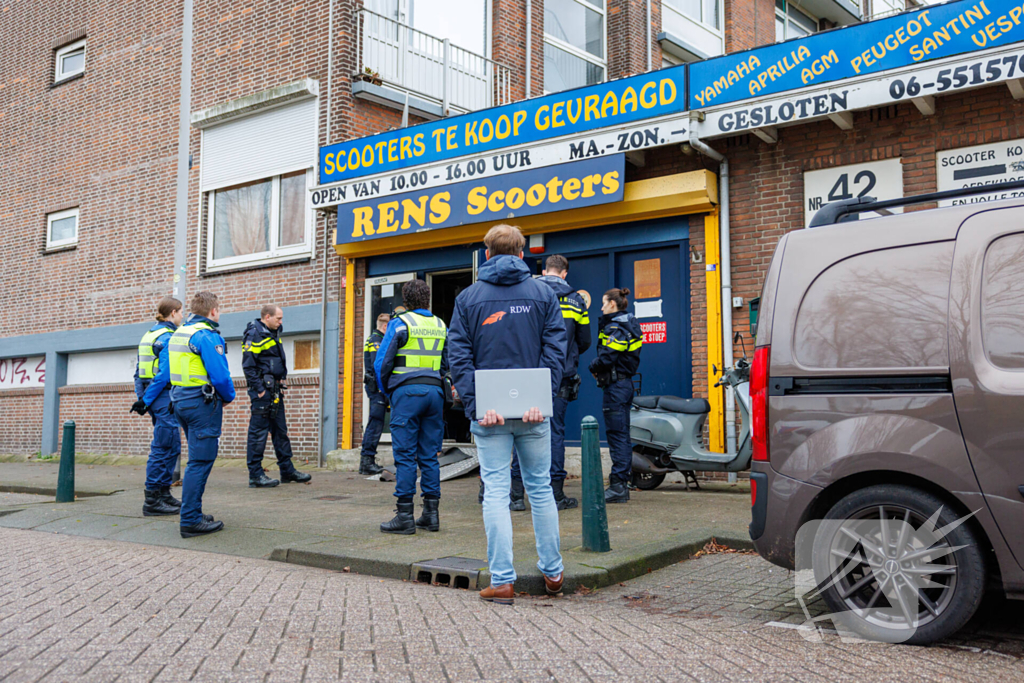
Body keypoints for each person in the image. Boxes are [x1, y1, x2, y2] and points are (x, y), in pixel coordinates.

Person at [448, 224, 567, 605]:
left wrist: (477, 404)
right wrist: (543, 397)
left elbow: (459, 357)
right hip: (533, 413)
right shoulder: (543, 294)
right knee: (541, 489)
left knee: (496, 493)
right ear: (521, 254)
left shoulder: (468, 298)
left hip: (490, 414)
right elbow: (556, 349)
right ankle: (553, 573)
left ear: (486, 254)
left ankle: (502, 581)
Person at [502, 254, 592, 512]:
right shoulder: (575, 300)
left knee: (521, 430)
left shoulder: (529, 293)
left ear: (544, 270)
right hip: (561, 374)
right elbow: (584, 340)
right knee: (555, 432)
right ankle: (556, 494)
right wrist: (568, 353)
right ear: (565, 273)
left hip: (527, 373)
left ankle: (517, 496)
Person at [374, 280, 448, 534]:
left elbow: (382, 362)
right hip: (434, 393)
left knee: (405, 456)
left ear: (407, 299)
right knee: (429, 455)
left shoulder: (400, 322)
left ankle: (405, 516)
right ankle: (431, 515)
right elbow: (446, 362)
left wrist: (387, 391)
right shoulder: (440, 324)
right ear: (427, 299)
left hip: (407, 393)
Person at [169, 291, 235, 538]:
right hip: (201, 404)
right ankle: (191, 520)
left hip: (181, 402)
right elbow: (220, 376)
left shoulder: (180, 333)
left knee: (196, 459)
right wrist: (229, 397)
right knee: (201, 461)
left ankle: (193, 511)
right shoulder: (206, 337)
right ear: (213, 311)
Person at [242, 305, 312, 488]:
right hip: (263, 392)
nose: (281, 322)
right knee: (258, 434)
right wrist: (259, 389)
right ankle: (255, 475)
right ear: (267, 317)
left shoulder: (271, 331)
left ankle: (287, 470)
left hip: (274, 390)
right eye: (278, 319)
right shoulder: (254, 334)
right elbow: (248, 366)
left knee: (280, 431)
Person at [130, 297, 185, 517]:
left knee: (170, 446)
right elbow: (163, 375)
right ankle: (153, 499)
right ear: (173, 313)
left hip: (154, 398)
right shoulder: (169, 338)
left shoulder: (148, 335)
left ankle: (163, 494)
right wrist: (147, 400)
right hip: (163, 397)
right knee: (164, 447)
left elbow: (139, 372)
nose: (183, 316)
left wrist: (143, 399)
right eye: (181, 312)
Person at [588, 287, 643, 504]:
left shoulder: (616, 327)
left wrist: (593, 366)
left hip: (616, 387)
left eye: (603, 303)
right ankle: (621, 483)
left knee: (617, 436)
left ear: (612, 303)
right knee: (622, 434)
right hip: (624, 384)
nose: (601, 307)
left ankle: (619, 486)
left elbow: (606, 358)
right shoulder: (630, 324)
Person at [359, 313, 390, 475]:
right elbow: (378, 366)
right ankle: (367, 461)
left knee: (376, 423)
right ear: (385, 327)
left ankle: (367, 461)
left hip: (376, 388)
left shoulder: (374, 338)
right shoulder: (377, 340)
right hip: (377, 388)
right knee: (375, 423)